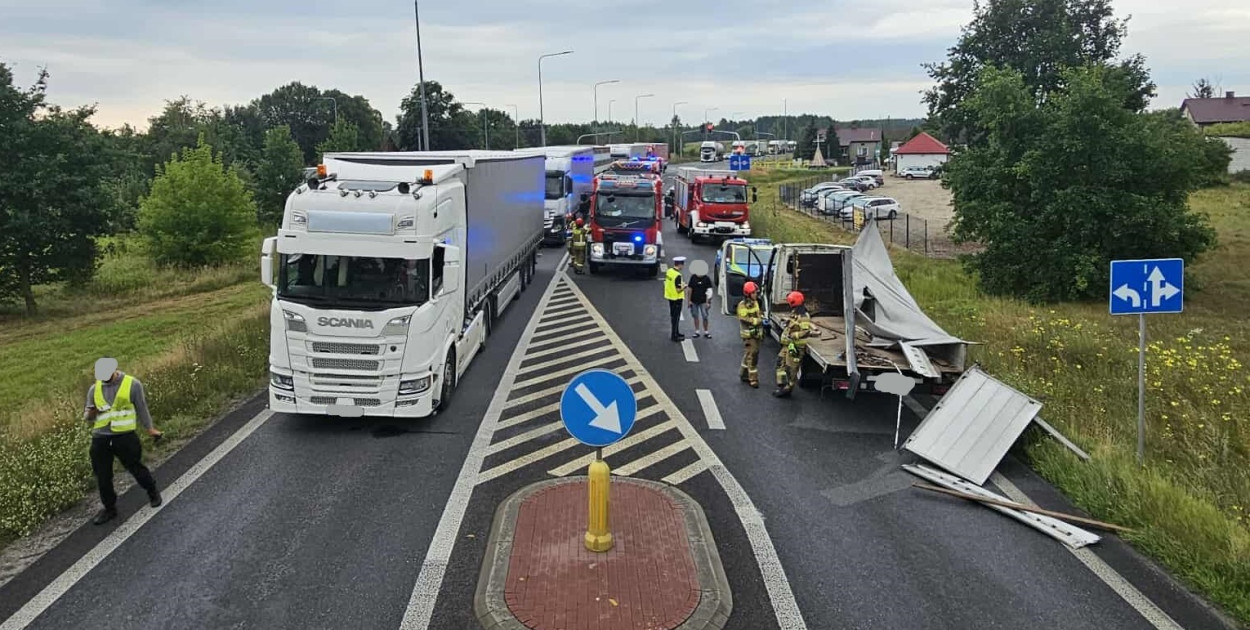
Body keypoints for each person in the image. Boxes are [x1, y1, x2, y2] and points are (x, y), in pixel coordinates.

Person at [84, 358, 163, 525]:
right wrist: (93, 412)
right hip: (101, 438)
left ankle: (152, 491)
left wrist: (150, 429)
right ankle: (109, 508)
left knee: (135, 467)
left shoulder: (132, 384)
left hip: (124, 436)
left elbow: (142, 408)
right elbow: (88, 418)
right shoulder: (94, 389)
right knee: (103, 476)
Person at [774, 291, 812, 398]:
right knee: (780, 362)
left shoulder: (804, 316)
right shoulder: (796, 312)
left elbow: (805, 332)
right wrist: (788, 321)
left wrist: (793, 335)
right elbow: (794, 323)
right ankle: (782, 384)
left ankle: (788, 389)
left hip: (796, 347)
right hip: (789, 344)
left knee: (791, 368)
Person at [737, 281, 765, 388]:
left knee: (750, 354)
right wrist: (756, 321)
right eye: (754, 293)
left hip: (756, 334)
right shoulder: (742, 305)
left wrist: (762, 317)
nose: (756, 294)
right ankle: (753, 379)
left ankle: (743, 373)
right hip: (749, 335)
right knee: (752, 355)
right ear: (748, 294)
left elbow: (758, 313)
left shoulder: (756, 302)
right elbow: (743, 318)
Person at [685, 260, 713, 338]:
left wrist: (708, 302)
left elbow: (709, 291)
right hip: (694, 301)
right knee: (695, 315)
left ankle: (706, 331)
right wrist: (689, 301)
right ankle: (697, 331)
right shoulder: (693, 278)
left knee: (705, 316)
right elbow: (690, 289)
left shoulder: (706, 279)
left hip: (703, 301)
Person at [664, 256, 686, 342]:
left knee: (673, 317)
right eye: (682, 265)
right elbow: (678, 289)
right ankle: (674, 335)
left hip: (670, 297)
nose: (682, 267)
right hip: (677, 299)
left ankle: (676, 332)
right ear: (680, 265)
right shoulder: (678, 275)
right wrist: (684, 287)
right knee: (676, 318)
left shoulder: (669, 271)